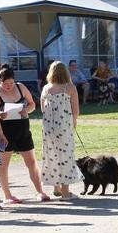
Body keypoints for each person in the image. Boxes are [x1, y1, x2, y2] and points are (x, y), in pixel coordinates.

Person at [0, 66, 49, 204]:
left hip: (23, 130)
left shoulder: (20, 87)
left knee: (31, 162)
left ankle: (40, 191)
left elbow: (32, 104)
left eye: (11, 83)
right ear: (0, 81)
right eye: (5, 84)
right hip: (5, 133)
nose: (9, 86)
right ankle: (7, 195)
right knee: (3, 165)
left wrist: (26, 110)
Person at [40, 61, 81, 199]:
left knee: (52, 155)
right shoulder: (70, 88)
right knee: (66, 156)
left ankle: (56, 186)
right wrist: (73, 122)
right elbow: (75, 110)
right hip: (64, 126)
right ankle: (65, 192)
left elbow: (43, 109)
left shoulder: (46, 88)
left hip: (48, 127)